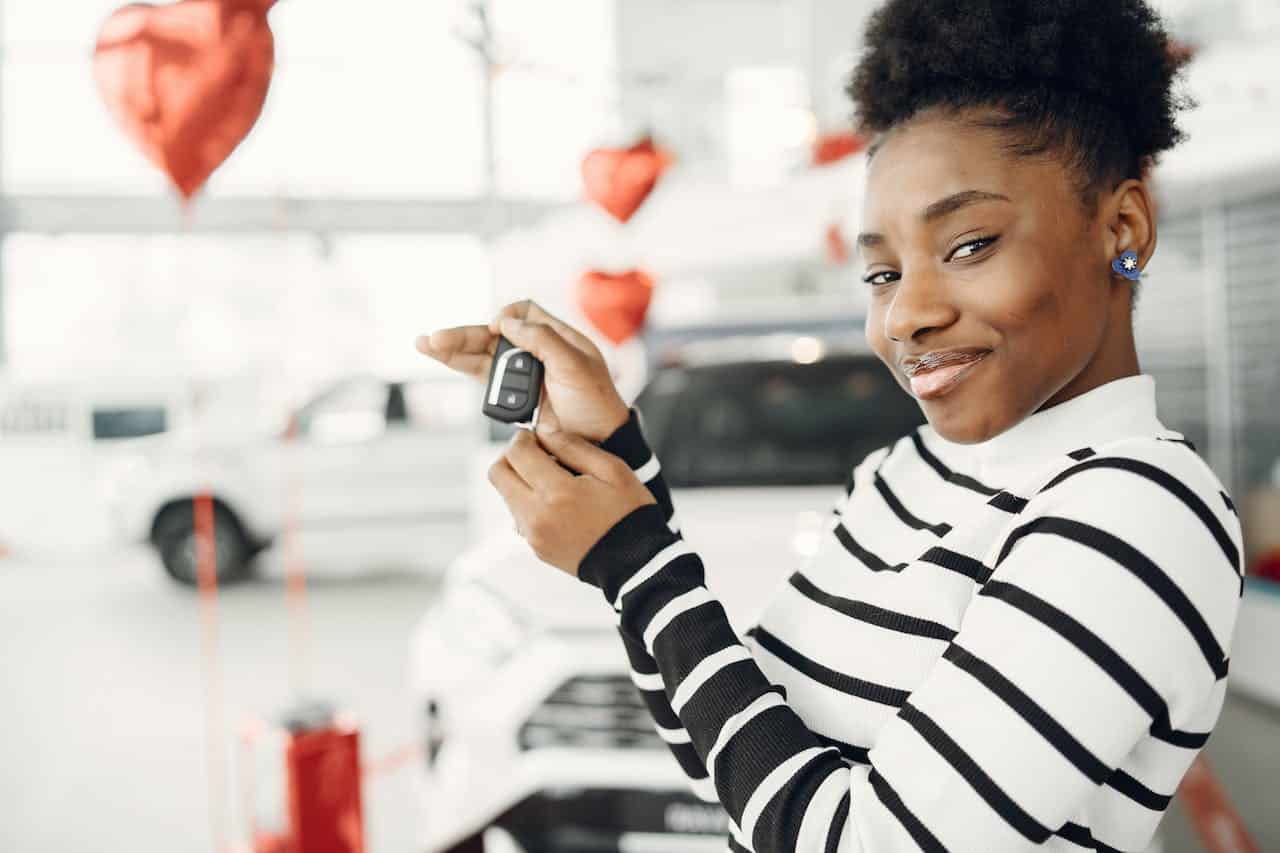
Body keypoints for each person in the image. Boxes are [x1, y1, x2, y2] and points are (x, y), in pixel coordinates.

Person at [416, 0, 1244, 849]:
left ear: (1123, 228)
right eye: (882, 271)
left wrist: (634, 561)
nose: (906, 315)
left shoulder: (1138, 511)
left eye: (968, 245)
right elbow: (731, 752)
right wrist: (624, 461)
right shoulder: (904, 472)